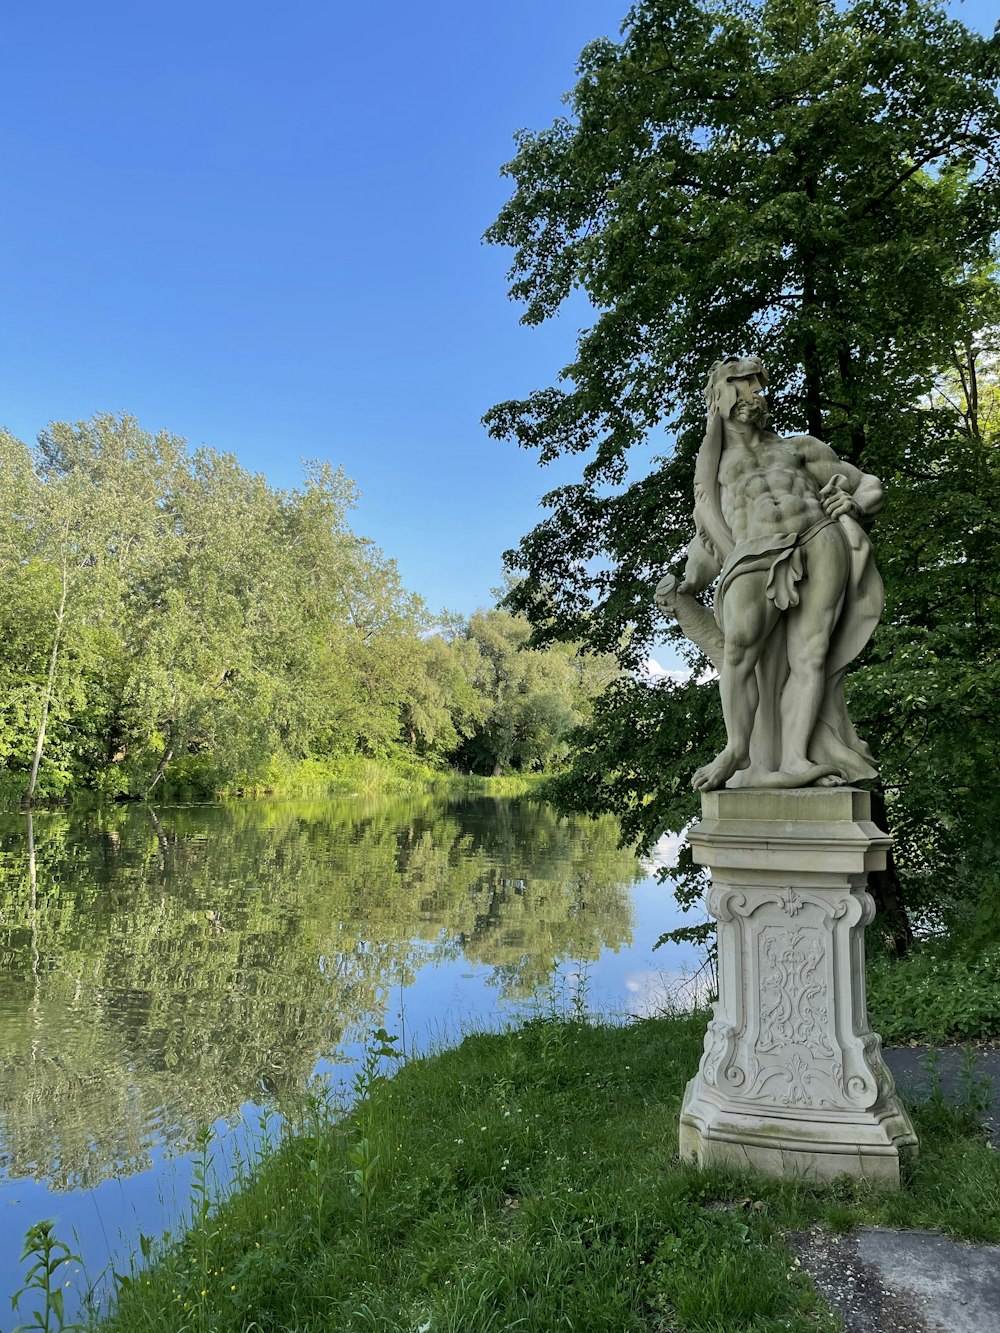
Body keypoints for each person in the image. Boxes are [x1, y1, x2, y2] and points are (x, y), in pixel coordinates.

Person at [656, 356, 884, 791]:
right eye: (739, 386)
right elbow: (706, 540)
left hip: (818, 537)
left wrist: (853, 505)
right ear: (719, 398)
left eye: (755, 387)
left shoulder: (799, 447)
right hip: (754, 553)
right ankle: (738, 749)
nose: (750, 395)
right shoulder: (714, 468)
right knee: (740, 650)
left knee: (811, 654)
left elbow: (869, 483)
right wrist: (689, 582)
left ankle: (796, 757)